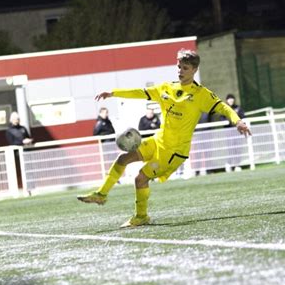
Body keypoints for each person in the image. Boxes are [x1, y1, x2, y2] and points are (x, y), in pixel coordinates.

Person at [78, 49, 251, 227]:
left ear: (194, 70)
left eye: (185, 67)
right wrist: (113, 93)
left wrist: (237, 121)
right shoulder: (166, 88)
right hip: (158, 140)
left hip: (174, 152)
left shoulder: (201, 94)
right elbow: (140, 92)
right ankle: (101, 194)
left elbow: (223, 107)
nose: (180, 71)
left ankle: (141, 216)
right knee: (122, 158)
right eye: (178, 66)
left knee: (140, 178)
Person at [220, 94, 246, 172]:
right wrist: (226, 122)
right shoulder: (224, 108)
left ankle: (237, 165)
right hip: (229, 132)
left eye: (232, 99)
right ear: (227, 100)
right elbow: (221, 118)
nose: (231, 101)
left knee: (238, 148)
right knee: (231, 149)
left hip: (238, 131)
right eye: (229, 99)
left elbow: (243, 117)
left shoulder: (238, 108)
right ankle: (229, 164)